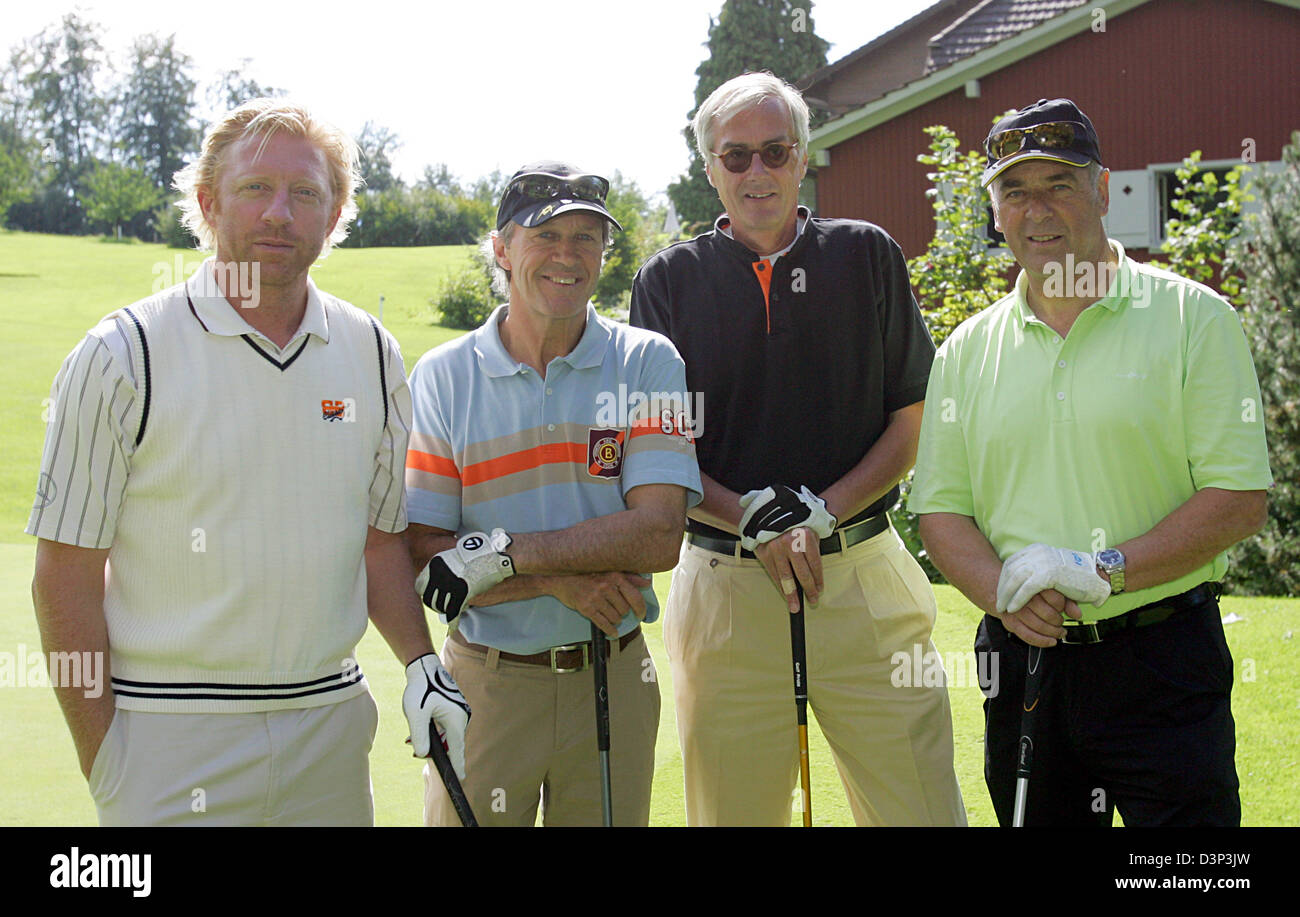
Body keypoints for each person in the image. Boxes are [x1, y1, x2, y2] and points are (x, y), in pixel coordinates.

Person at [27, 99, 468, 826]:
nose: (279, 213)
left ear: (333, 218)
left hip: (329, 726)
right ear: (207, 202)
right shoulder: (122, 352)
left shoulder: (373, 351)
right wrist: (105, 758)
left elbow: (379, 541)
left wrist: (423, 664)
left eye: (305, 194)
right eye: (255, 189)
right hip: (169, 738)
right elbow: (64, 571)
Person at [909, 98, 1272, 826]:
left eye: (1059, 185)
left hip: (1161, 660)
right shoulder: (966, 351)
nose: (1037, 210)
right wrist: (1004, 592)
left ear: (1103, 190)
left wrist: (1099, 569)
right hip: (1024, 664)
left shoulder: (1194, 319)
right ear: (995, 211)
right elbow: (940, 510)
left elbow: (1239, 496)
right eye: (1015, 191)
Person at [629, 72, 966, 827]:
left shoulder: (868, 255)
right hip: (723, 588)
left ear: (802, 157)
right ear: (709, 167)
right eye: (736, 156)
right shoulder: (666, 283)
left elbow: (911, 416)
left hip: (862, 572)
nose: (757, 173)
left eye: (775, 152)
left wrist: (823, 510)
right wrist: (746, 512)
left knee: (922, 812)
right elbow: (652, 444)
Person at [406, 162, 702, 827]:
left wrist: (503, 554)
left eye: (587, 237)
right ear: (502, 249)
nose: (567, 255)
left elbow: (658, 532)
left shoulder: (649, 360)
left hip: (615, 674)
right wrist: (560, 582)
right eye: (546, 235)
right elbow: (428, 561)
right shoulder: (442, 377)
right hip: (488, 681)